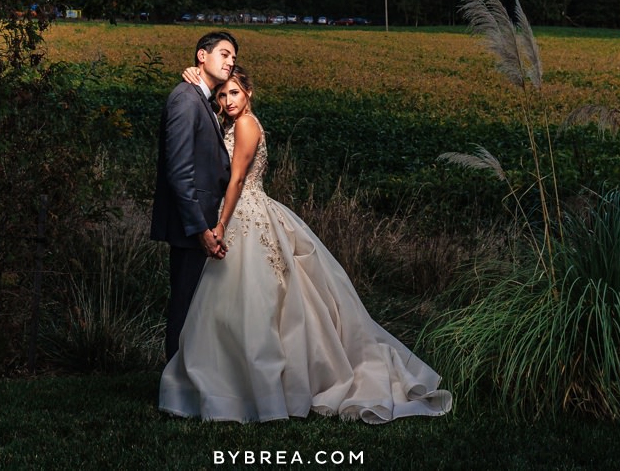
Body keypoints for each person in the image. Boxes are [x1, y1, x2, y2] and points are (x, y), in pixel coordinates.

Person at [159, 65, 452, 424]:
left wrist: (220, 223)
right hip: (237, 212)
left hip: (244, 213)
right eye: (222, 95)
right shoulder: (229, 124)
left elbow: (236, 180)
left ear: (248, 93)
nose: (227, 100)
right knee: (231, 306)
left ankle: (259, 388)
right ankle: (234, 384)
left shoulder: (248, 125)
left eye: (234, 92)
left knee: (257, 304)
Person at [150, 31, 238, 361]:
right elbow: (179, 171)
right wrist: (200, 228)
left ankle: (191, 378)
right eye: (225, 54)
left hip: (203, 223)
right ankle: (175, 384)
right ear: (202, 56)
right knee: (185, 305)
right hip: (193, 226)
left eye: (234, 58)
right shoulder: (185, 100)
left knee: (196, 307)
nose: (231, 61)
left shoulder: (201, 99)